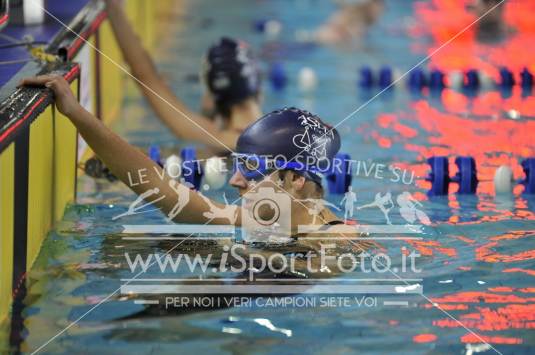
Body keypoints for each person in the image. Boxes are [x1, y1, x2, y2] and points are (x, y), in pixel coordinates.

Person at [20, 76, 364, 239]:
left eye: (252, 171)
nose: (235, 181)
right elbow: (164, 191)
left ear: (295, 180)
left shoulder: (338, 242)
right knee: (124, 244)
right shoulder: (272, 218)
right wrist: (76, 113)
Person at [104, 0, 262, 153]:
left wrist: (114, 8)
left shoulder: (217, 140)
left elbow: (145, 76)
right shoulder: (275, 136)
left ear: (212, 98)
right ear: (258, 93)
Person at [315, 0, 385, 46]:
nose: (384, 9)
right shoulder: (358, 19)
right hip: (330, 38)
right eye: (380, 4)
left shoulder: (359, 18)